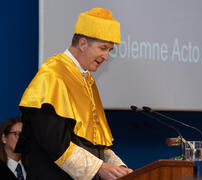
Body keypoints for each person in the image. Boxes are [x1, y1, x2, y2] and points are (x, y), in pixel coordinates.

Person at [16, 8, 133, 180]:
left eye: (110, 50)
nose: (106, 57)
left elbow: (94, 142)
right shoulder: (53, 75)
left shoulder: (86, 80)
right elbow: (54, 142)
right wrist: (99, 167)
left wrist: (119, 167)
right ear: (83, 43)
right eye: (103, 48)